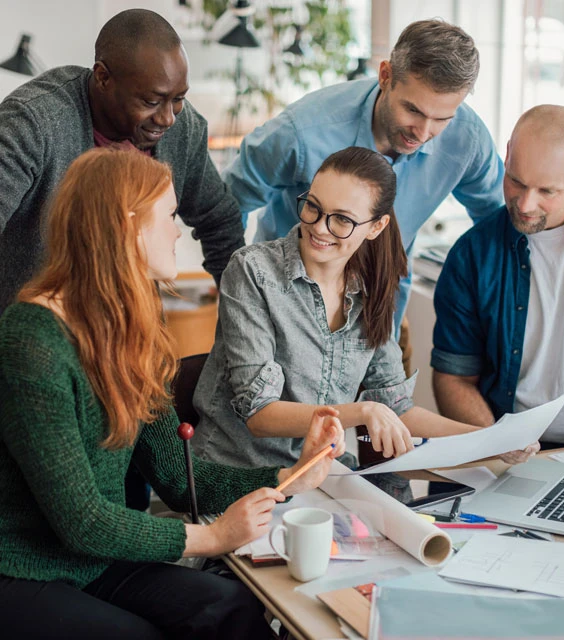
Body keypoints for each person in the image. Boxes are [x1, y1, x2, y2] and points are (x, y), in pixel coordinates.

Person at [0, 148, 345, 639]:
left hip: (93, 561)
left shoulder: (129, 327)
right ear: (128, 225)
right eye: (169, 216)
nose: (177, 231)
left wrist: (292, 475)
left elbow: (179, 479)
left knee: (228, 605)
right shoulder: (32, 338)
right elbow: (82, 521)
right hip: (23, 568)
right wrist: (213, 537)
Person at [192, 147, 534, 500]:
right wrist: (364, 411)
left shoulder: (371, 290)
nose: (319, 228)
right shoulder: (253, 272)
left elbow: (398, 408)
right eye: (313, 207)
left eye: (342, 219)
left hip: (322, 479)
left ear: (376, 226)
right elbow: (259, 414)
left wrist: (491, 442)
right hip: (237, 481)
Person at [222, 19, 505, 335]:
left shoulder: (468, 138)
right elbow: (227, 208)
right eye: (412, 111)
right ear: (385, 76)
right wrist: (238, 296)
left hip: (380, 317)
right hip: (281, 309)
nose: (424, 133)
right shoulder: (302, 131)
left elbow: (498, 221)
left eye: (441, 119)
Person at [0, 8, 244, 317]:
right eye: (151, 102)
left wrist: (244, 324)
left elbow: (220, 222)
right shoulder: (33, 122)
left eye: (179, 99)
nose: (168, 118)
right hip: (38, 338)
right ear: (102, 77)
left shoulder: (183, 129)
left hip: (128, 341)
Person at [431, 104, 564, 446]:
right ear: (508, 155)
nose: (525, 204)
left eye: (546, 191)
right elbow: (454, 378)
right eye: (516, 181)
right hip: (516, 452)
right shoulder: (472, 255)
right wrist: (498, 443)